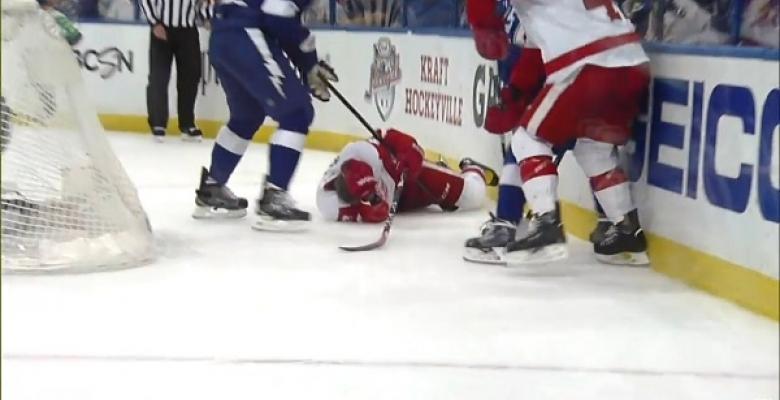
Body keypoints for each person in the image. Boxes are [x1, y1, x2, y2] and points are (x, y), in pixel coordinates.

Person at [463, 0, 651, 266]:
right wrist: (514, 95)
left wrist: (482, 22)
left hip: (588, 64)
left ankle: (546, 225)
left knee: (527, 138)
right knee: (593, 149)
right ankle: (627, 232)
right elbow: (535, 48)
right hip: (633, 65)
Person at [191, 0, 338, 231]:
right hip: (245, 35)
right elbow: (277, 11)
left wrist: (308, 66)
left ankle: (212, 188)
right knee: (297, 113)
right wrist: (307, 63)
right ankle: (274, 198)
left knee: (246, 116)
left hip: (224, 37)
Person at [316, 129, 493, 222]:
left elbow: (390, 136)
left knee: (473, 195)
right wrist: (371, 209)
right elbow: (368, 214)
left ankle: (472, 168)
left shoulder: (368, 153)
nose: (372, 196)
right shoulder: (327, 203)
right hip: (397, 199)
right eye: (366, 197)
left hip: (407, 179)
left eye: (372, 192)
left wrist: (410, 151)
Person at [139, 0, 211, 142]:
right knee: (158, 78)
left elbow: (203, 3)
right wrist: (154, 22)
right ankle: (158, 124)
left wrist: (206, 16)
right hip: (162, 28)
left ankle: (187, 124)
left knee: (190, 77)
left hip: (188, 30)